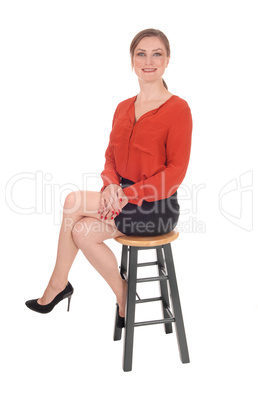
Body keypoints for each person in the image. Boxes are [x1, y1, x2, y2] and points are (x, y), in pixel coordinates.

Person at [25, 28, 193, 328]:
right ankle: (123, 294)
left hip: (157, 207)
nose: (148, 60)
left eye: (157, 54)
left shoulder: (178, 109)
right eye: (141, 53)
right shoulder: (123, 108)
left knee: (73, 201)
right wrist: (112, 185)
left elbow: (175, 173)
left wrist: (126, 194)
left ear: (168, 60)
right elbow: (112, 156)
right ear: (132, 60)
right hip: (121, 197)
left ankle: (57, 285)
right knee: (82, 232)